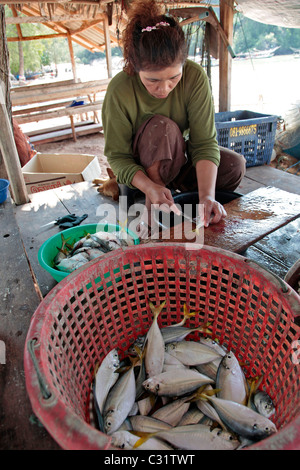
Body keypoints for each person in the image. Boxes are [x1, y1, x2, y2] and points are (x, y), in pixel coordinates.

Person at [102, 0, 246, 238]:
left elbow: (203, 143)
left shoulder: (195, 77)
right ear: (134, 67)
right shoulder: (119, 90)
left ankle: (176, 197)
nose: (164, 89)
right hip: (141, 170)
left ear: (183, 65)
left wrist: (207, 197)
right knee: (163, 128)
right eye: (152, 81)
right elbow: (117, 157)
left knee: (234, 166)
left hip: (178, 157)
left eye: (174, 78)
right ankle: (153, 202)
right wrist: (150, 186)